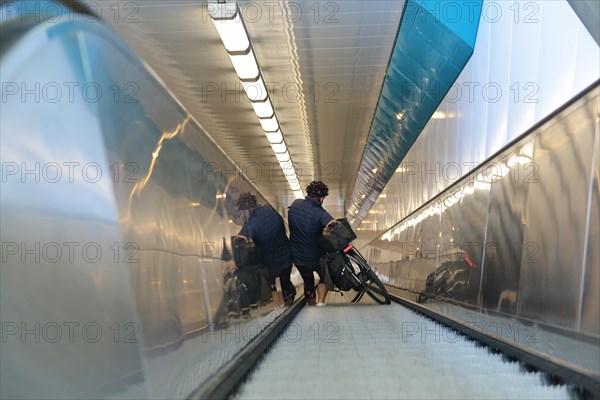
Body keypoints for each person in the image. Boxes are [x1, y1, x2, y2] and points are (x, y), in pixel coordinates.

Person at [235, 192, 296, 307]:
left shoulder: (252, 221)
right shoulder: (271, 209)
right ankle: (289, 299)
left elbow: (244, 234)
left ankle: (278, 304)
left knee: (271, 281)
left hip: (269, 259)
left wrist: (239, 241)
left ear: (246, 208)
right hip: (285, 253)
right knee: (285, 279)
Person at [288, 181, 335, 306]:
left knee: (308, 280)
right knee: (324, 277)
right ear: (321, 198)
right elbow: (331, 224)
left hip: (298, 256)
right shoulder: (320, 212)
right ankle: (320, 303)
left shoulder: (295, 204)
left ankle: (311, 306)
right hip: (315, 255)